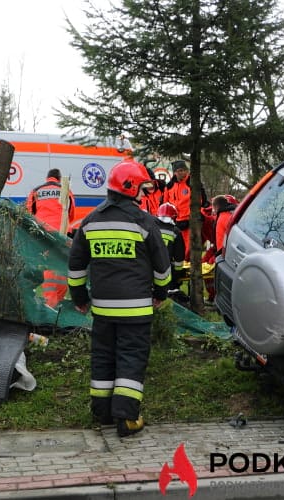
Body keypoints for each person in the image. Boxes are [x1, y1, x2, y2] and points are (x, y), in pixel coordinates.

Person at [68, 159, 171, 437]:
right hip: (136, 310)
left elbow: (76, 267)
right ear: (131, 187)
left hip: (102, 309)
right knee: (131, 358)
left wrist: (80, 298)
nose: (144, 193)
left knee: (103, 356)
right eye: (142, 188)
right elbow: (162, 268)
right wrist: (160, 294)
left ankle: (102, 412)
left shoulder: (90, 221)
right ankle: (126, 418)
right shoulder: (144, 221)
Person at [26, 168, 76, 309]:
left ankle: (50, 302)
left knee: (47, 266)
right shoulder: (65, 190)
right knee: (60, 265)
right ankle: (57, 300)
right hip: (61, 234)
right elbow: (71, 214)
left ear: (47, 178)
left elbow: (29, 213)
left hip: (43, 234)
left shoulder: (36, 191)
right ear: (59, 179)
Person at [165, 160, 207, 260]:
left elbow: (201, 201)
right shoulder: (169, 186)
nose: (183, 172)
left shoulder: (192, 183)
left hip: (190, 221)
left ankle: (188, 266)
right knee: (178, 247)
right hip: (175, 222)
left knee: (189, 248)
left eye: (185, 170)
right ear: (175, 172)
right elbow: (166, 204)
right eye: (180, 170)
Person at [155, 202, 186, 291]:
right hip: (166, 268)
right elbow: (179, 255)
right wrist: (178, 273)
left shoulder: (151, 228)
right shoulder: (175, 232)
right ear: (174, 217)